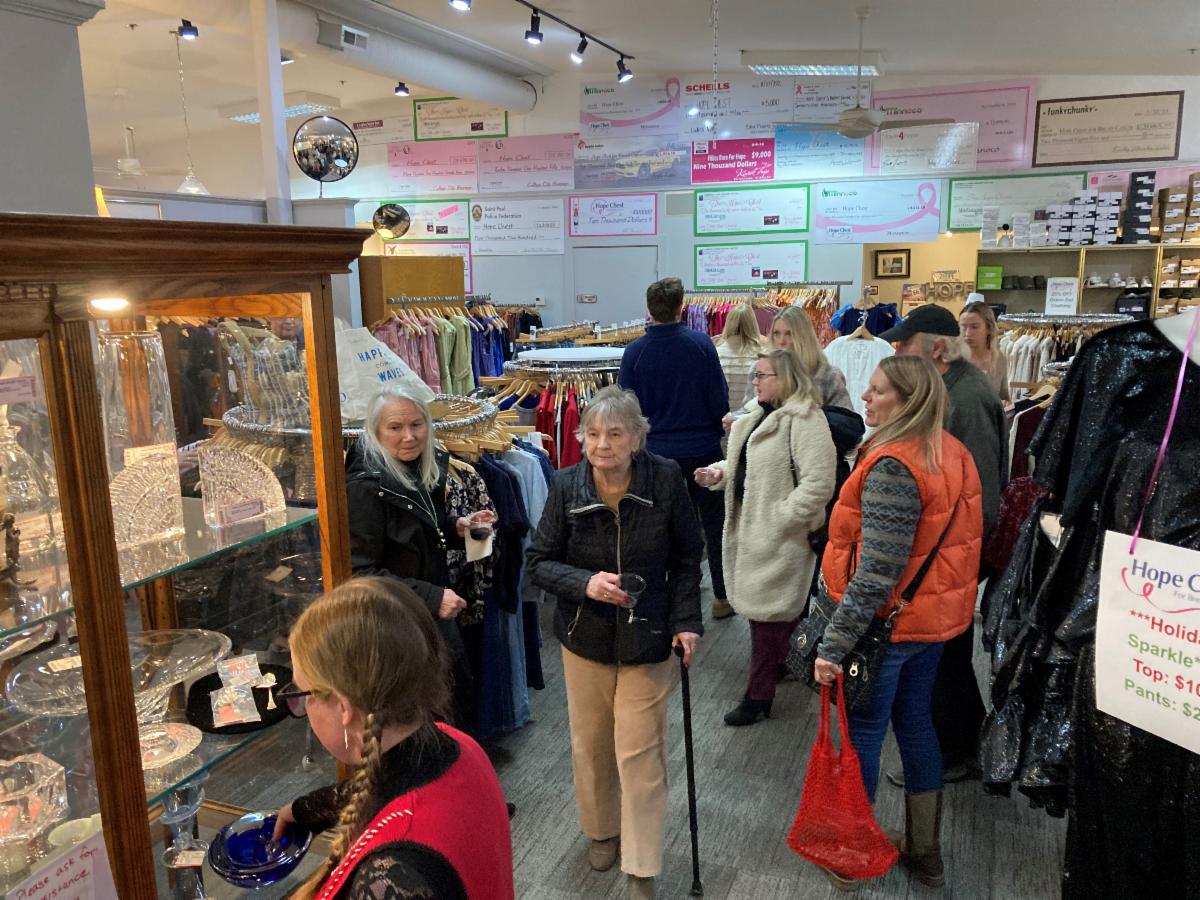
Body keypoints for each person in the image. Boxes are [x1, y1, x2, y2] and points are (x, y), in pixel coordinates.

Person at [526, 386, 703, 900]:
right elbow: (538, 561)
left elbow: (687, 558)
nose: (602, 445)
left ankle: (642, 864)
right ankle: (601, 829)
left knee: (640, 750)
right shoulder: (566, 485)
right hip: (585, 636)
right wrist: (584, 583)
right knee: (592, 743)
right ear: (581, 437)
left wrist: (687, 621)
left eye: (615, 434)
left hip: (649, 635)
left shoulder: (665, 478)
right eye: (593, 434)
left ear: (637, 438)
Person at [812, 356, 982, 890]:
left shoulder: (894, 465)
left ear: (908, 401)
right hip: (930, 623)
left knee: (863, 734)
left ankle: (850, 855)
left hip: (885, 627)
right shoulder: (951, 451)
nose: (865, 396)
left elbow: (876, 572)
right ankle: (925, 852)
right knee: (915, 725)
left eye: (878, 390)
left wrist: (833, 644)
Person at [272, 577, 514, 899]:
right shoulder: (454, 743)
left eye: (303, 694)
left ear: (343, 707)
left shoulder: (391, 876)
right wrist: (303, 810)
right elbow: (382, 786)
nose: (303, 707)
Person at [881, 304, 1006, 783]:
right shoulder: (950, 389)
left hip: (951, 553)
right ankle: (962, 745)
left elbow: (979, 493)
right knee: (945, 653)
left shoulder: (964, 398)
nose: (898, 352)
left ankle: (956, 750)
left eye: (905, 345)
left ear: (936, 349)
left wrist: (952, 556)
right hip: (946, 550)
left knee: (946, 654)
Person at [694, 349, 836, 726]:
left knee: (767, 617)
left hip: (783, 539)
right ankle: (787, 664)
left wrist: (778, 518)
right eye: (755, 375)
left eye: (762, 375)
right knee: (773, 617)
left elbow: (819, 484)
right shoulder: (759, 415)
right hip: (754, 533)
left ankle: (758, 695)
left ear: (785, 378)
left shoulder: (806, 420)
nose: (755, 381)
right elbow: (749, 466)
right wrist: (719, 474)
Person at [345, 384, 495, 731]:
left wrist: (457, 527)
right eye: (395, 427)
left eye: (417, 424)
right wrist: (432, 597)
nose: (409, 436)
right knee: (421, 716)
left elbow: (416, 533)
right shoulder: (365, 489)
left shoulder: (418, 469)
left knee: (450, 704)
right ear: (376, 432)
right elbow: (360, 573)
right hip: (397, 627)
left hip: (428, 615)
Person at [619, 277, 732, 620]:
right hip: (702, 447)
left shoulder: (635, 352)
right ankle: (722, 596)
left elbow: (627, 409)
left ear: (649, 309)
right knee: (713, 523)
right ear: (681, 307)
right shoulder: (701, 344)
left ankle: (660, 598)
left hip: (656, 451)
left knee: (657, 526)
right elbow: (718, 398)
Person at [740, 306, 853, 410]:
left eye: (789, 334)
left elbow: (845, 419)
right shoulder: (759, 370)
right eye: (776, 333)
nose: (781, 341)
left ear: (803, 336)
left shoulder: (828, 375)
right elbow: (747, 412)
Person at [958, 296, 1010, 403]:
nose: (968, 333)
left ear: (988, 328)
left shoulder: (999, 359)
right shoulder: (953, 359)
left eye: (974, 327)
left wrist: (1006, 403)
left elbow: (1004, 396)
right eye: (963, 327)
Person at [714, 303, 763, 415]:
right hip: (752, 419)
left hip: (723, 419)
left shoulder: (716, 354)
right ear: (753, 324)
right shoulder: (761, 356)